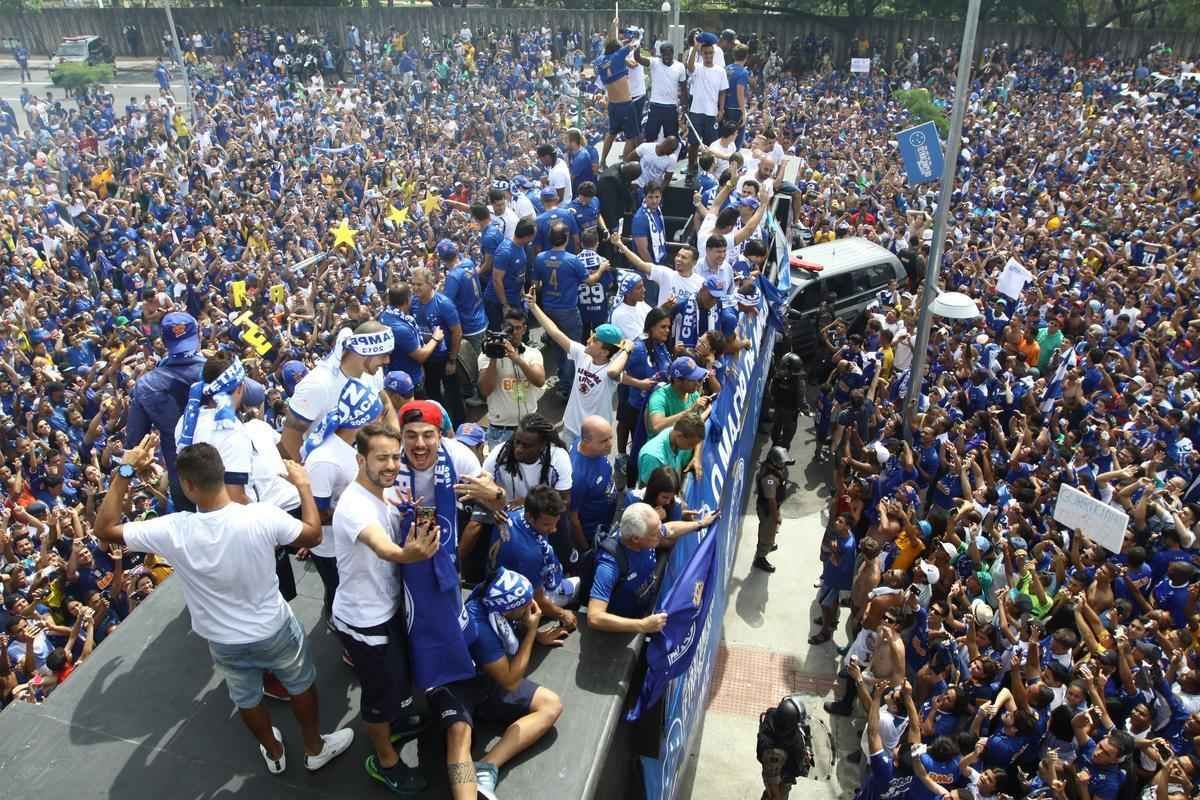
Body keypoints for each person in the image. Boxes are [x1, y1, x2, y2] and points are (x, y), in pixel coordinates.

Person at [93, 433, 354, 775]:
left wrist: (125, 470)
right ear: (222, 473)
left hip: (222, 639)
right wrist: (304, 486)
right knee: (300, 683)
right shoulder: (260, 516)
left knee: (246, 697)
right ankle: (314, 747)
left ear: (187, 486)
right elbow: (313, 536)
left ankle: (273, 752)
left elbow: (104, 527)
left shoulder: (172, 529)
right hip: (273, 628)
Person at [328, 421, 437, 794]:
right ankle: (385, 760)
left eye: (394, 456)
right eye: (381, 458)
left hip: (388, 609)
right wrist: (409, 553)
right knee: (378, 698)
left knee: (398, 681)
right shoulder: (354, 506)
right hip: (365, 621)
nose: (391, 464)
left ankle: (395, 721)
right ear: (360, 459)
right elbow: (382, 546)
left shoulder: (386, 493)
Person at [426, 567, 565, 800]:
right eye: (525, 604)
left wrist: (537, 634)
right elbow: (510, 681)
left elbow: (510, 631)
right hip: (454, 683)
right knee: (458, 735)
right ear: (509, 609)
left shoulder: (494, 602)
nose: (532, 605)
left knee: (552, 705)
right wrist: (532, 631)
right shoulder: (480, 626)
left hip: (486, 680)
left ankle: (487, 766)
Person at [302, 378, 384, 633]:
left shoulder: (349, 445)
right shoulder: (325, 461)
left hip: (351, 539)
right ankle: (341, 630)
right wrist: (356, 515)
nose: (380, 424)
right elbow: (317, 513)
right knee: (340, 593)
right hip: (333, 548)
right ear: (363, 421)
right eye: (376, 419)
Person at [586, 502, 716, 633]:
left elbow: (669, 529)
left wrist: (700, 524)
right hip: (623, 625)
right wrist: (642, 625)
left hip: (643, 601)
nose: (661, 533)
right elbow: (594, 617)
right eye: (655, 534)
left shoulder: (648, 533)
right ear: (636, 539)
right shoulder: (609, 566)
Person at [280, 319, 396, 460]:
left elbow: (386, 404)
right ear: (364, 351)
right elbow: (289, 439)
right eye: (384, 355)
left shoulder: (373, 371)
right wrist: (308, 475)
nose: (387, 361)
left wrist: (395, 444)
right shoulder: (317, 385)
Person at [526, 294, 631, 449]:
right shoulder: (582, 354)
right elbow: (555, 333)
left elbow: (614, 371)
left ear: (604, 352)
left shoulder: (611, 370)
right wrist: (534, 307)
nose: (589, 340)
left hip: (593, 437)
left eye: (595, 340)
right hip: (570, 427)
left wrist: (627, 350)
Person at [125, 311, 207, 510]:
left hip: (183, 476)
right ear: (200, 334)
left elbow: (135, 441)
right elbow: (255, 394)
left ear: (163, 341)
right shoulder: (216, 369)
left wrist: (135, 467)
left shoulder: (145, 384)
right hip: (225, 467)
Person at [488, 485, 580, 628]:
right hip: (533, 592)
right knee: (580, 583)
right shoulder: (529, 555)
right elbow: (538, 599)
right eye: (547, 524)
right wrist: (562, 614)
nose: (554, 529)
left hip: (509, 572)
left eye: (556, 523)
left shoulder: (512, 510)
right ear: (530, 516)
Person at [532, 222, 607, 394]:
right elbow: (590, 280)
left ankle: (563, 376)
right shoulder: (572, 260)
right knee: (572, 348)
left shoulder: (540, 258)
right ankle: (569, 384)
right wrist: (601, 268)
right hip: (568, 311)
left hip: (548, 309)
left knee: (557, 344)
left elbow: (536, 284)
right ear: (566, 239)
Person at [478, 307, 547, 450]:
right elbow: (485, 390)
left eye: (518, 328)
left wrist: (518, 360)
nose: (514, 332)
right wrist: (494, 358)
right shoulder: (486, 356)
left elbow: (539, 381)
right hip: (500, 428)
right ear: (503, 328)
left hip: (528, 426)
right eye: (510, 328)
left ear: (524, 329)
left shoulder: (533, 354)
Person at [410, 267, 465, 426]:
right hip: (426, 359)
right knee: (433, 394)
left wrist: (452, 360)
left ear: (430, 284)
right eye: (413, 284)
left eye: (419, 284)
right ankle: (439, 423)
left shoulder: (444, 304)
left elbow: (457, 332)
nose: (415, 288)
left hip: (444, 358)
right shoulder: (413, 302)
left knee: (452, 393)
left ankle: (459, 424)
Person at [437, 239, 489, 406]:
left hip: (470, 325)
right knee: (485, 358)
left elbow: (447, 304)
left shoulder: (453, 276)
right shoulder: (468, 262)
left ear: (442, 258)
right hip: (481, 317)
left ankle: (482, 396)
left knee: (476, 364)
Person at [481, 413, 572, 508]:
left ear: (542, 446)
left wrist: (529, 504)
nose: (519, 449)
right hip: (506, 513)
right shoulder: (500, 454)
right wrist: (492, 506)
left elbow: (564, 501)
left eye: (526, 445)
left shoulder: (558, 459)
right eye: (517, 442)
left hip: (543, 515)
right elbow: (480, 486)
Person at [379, 283, 444, 401]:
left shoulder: (385, 315)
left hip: (396, 375)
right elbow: (421, 356)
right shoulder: (401, 328)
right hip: (409, 382)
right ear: (407, 300)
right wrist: (435, 338)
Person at [596, 14, 643, 166]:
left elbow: (609, 43)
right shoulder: (619, 56)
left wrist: (613, 26)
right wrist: (637, 37)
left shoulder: (601, 60)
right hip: (625, 105)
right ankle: (624, 162)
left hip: (613, 106)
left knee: (611, 133)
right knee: (631, 137)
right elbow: (633, 45)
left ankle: (603, 161)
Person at [569, 415, 617, 550]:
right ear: (586, 442)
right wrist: (586, 549)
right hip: (592, 533)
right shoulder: (578, 477)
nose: (610, 444)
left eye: (610, 438)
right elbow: (573, 520)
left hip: (605, 520)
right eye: (604, 441)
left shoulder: (594, 449)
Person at [685, 32, 729, 177]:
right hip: (696, 111)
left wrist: (721, 110)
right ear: (702, 54)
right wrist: (694, 48)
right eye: (705, 53)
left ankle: (711, 171)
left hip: (712, 113)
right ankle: (691, 168)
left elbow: (723, 92)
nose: (708, 56)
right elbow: (689, 66)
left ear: (713, 53)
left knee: (712, 144)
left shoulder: (720, 71)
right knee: (693, 143)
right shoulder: (697, 67)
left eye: (710, 53)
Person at [756, 696, 813, 799]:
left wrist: (805, 751)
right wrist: (778, 797)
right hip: (781, 780)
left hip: (783, 770)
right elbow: (772, 779)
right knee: (773, 796)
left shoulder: (776, 716)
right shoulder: (774, 752)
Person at [485, 219, 535, 331]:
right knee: (501, 333)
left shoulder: (521, 246)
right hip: (498, 302)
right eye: (533, 235)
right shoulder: (505, 252)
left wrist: (522, 293)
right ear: (527, 236)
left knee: (517, 331)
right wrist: (505, 305)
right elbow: (497, 280)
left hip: (515, 298)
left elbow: (519, 272)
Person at [638, 410, 706, 486]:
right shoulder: (653, 457)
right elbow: (651, 491)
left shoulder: (676, 433)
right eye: (691, 444)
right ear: (679, 435)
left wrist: (696, 456)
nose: (693, 447)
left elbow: (697, 434)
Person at [753, 447, 791, 574]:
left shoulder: (772, 469)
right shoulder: (769, 478)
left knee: (771, 531)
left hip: (773, 508)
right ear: (774, 462)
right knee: (766, 533)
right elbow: (771, 500)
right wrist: (776, 517)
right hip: (768, 511)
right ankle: (761, 557)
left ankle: (768, 545)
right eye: (781, 462)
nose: (783, 465)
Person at [644, 42, 686, 142]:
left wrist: (684, 105)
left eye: (669, 54)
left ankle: (669, 157)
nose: (666, 57)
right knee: (650, 135)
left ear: (673, 53)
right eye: (664, 54)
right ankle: (649, 157)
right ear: (661, 54)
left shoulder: (680, 66)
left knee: (671, 138)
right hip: (655, 106)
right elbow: (639, 59)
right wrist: (635, 47)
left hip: (671, 107)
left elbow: (684, 88)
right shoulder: (654, 62)